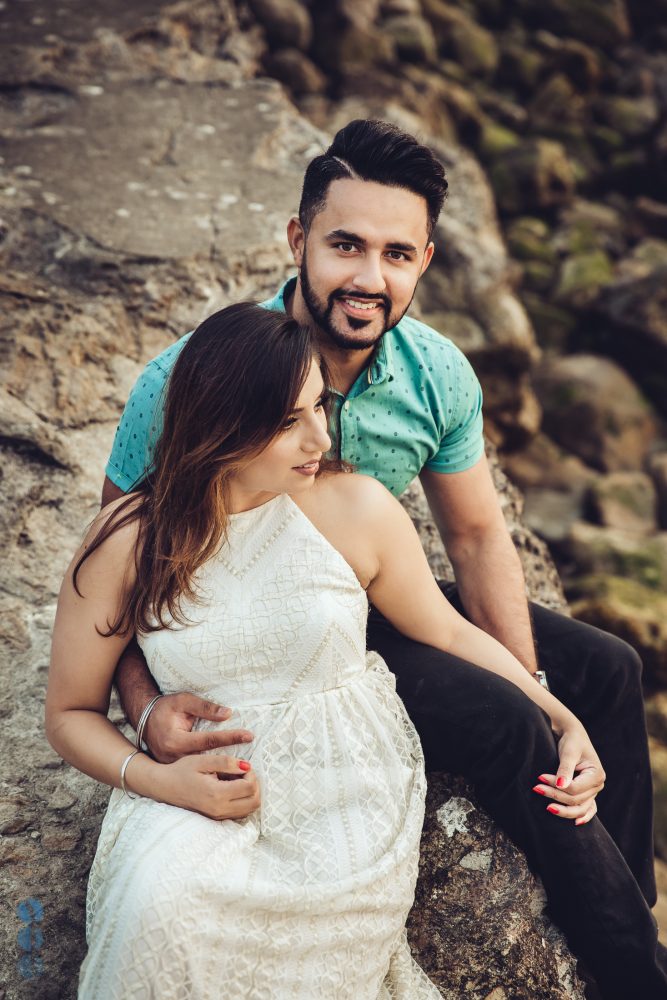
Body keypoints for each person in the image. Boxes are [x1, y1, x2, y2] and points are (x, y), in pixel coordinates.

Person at [100, 120, 666, 999]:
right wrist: (145, 709)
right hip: (272, 641)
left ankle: (614, 905)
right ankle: (638, 977)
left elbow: (477, 537)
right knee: (503, 723)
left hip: (363, 593)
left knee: (606, 668)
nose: (369, 278)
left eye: (396, 254)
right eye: (345, 245)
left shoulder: (435, 374)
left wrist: (531, 680)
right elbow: (115, 565)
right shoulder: (193, 378)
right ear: (297, 242)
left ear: (426, 260)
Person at [46, 303, 595, 997]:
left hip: (345, 797)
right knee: (160, 908)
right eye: (287, 422)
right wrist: (158, 780)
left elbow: (448, 630)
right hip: (192, 793)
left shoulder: (355, 506)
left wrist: (559, 716)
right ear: (222, 426)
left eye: (318, 407)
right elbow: (67, 712)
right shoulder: (129, 537)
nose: (320, 436)